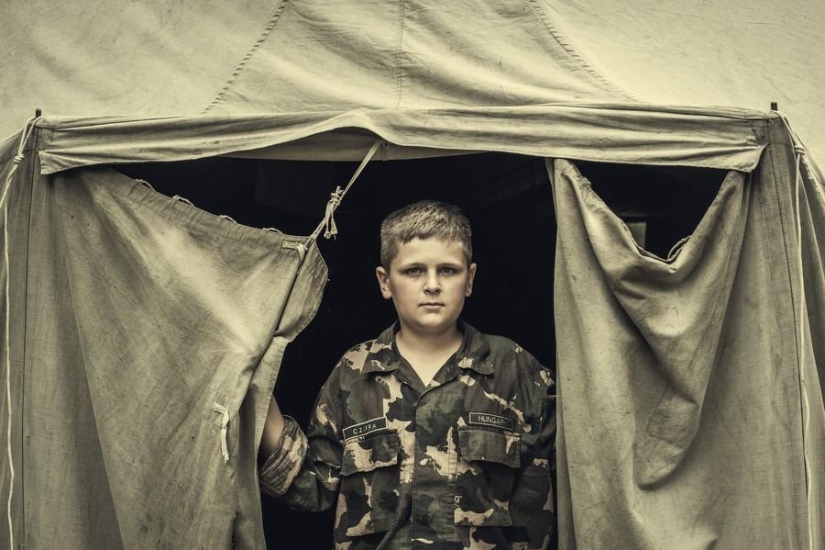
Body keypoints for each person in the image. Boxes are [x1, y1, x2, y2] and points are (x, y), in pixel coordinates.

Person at [258, 200, 556, 549]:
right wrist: (251, 381)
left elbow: (545, 500)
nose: (432, 285)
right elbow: (311, 486)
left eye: (448, 270)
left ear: (470, 279)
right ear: (385, 282)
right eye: (414, 271)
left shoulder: (516, 369)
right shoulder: (353, 372)